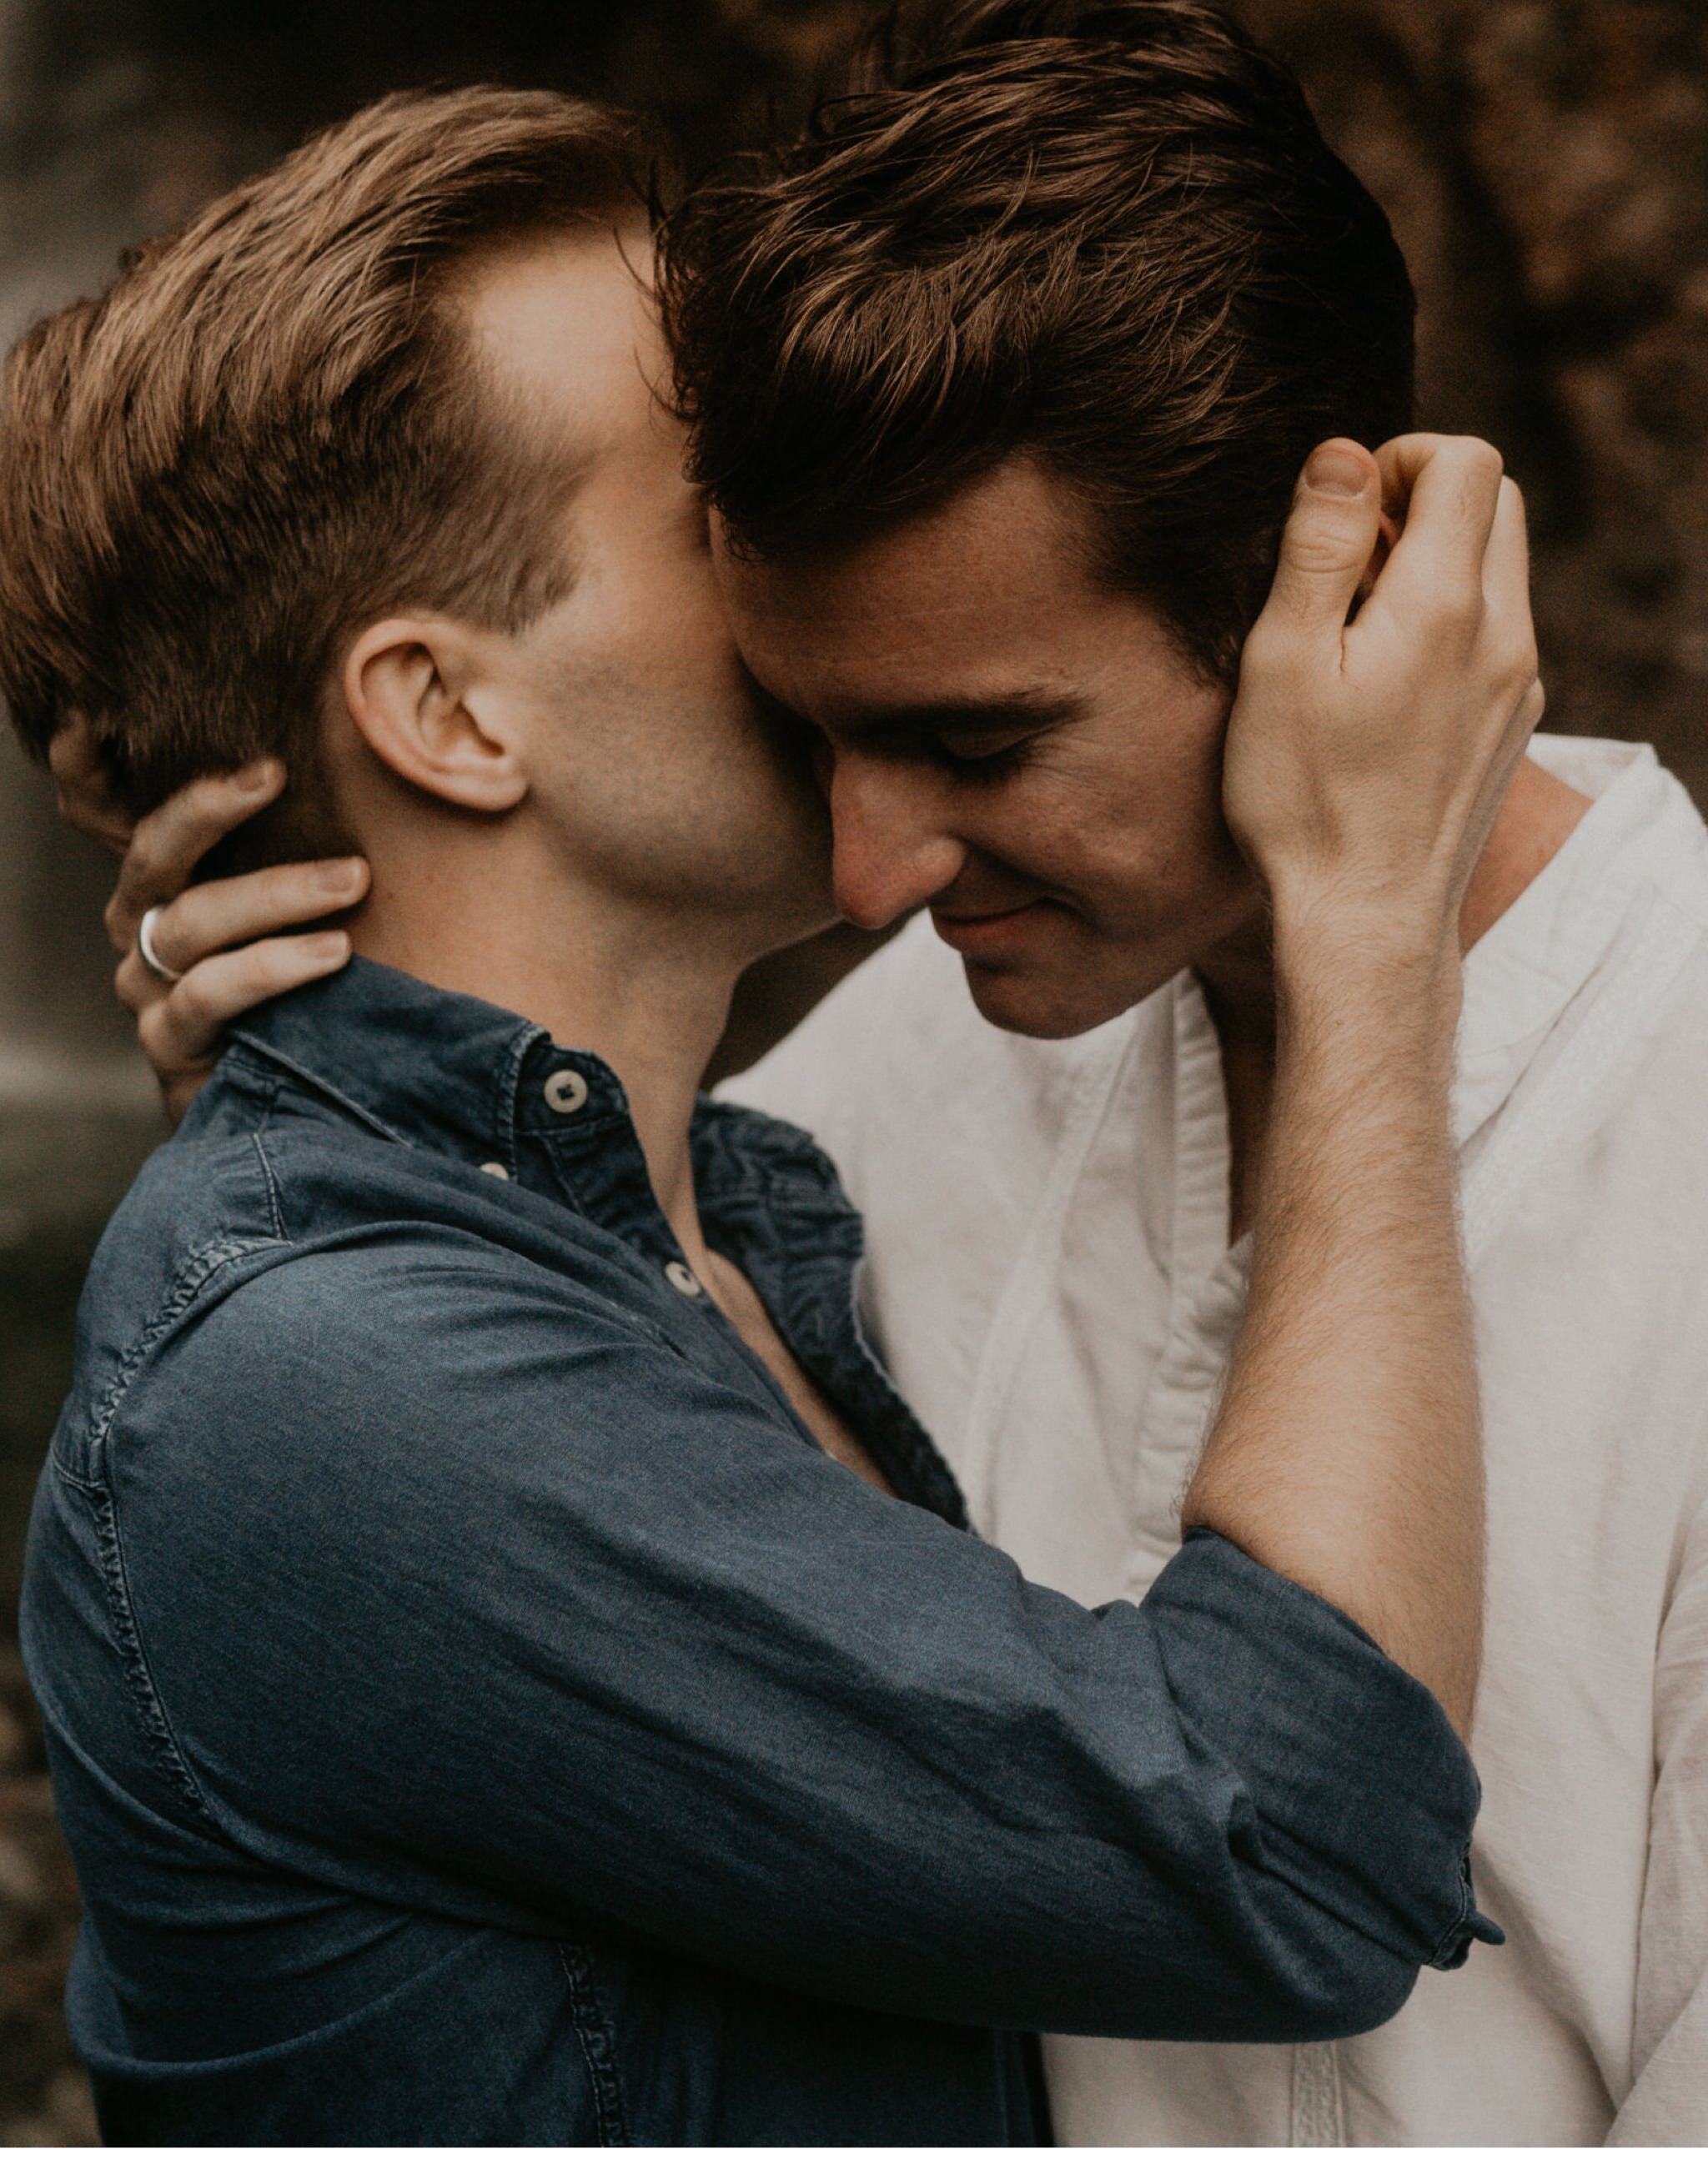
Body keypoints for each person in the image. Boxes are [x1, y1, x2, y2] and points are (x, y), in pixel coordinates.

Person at [0, 82, 1534, 2148]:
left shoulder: (731, 1201)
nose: (814, 521)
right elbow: (1279, 1833)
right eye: (708, 489)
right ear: (449, 715)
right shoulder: (331, 1372)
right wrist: (1367, 924)